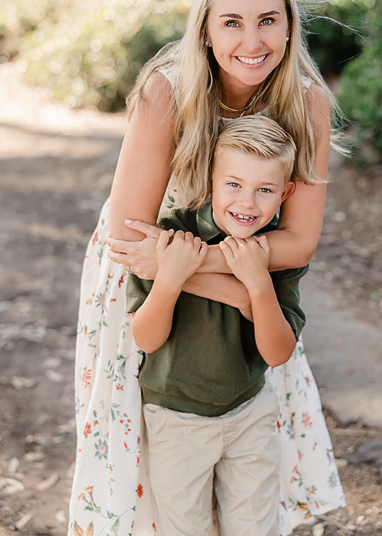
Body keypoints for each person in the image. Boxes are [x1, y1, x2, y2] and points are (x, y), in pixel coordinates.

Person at [70, 0, 345, 536]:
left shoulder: (307, 103)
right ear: (205, 28)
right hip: (146, 282)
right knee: (154, 480)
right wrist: (239, 284)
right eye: (232, 22)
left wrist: (197, 268)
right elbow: (129, 240)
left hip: (218, 277)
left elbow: (297, 245)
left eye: (269, 20)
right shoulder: (169, 93)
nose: (253, 40)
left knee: (249, 464)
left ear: (290, 24)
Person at [128, 115, 305, 536]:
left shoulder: (277, 249)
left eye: (265, 190)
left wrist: (258, 284)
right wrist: (171, 277)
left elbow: (278, 352)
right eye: (234, 185)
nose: (247, 203)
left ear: (287, 192)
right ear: (211, 179)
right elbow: (146, 337)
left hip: (249, 412)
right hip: (176, 418)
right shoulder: (170, 236)